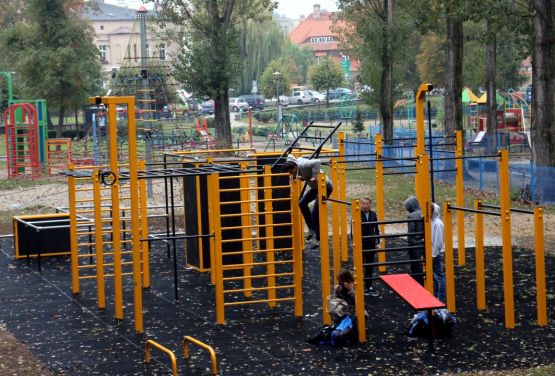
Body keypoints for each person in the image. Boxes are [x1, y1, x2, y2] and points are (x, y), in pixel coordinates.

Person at [283, 154, 333, 248]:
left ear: (294, 167)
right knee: (301, 203)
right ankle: (311, 228)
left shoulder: (302, 164)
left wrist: (314, 176)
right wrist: (304, 178)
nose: (291, 174)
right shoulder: (296, 167)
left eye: (291, 172)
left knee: (315, 213)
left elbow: (317, 162)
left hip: (325, 187)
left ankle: (318, 239)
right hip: (316, 188)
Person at [360, 197, 380, 297]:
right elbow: (353, 230)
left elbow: (376, 228)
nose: (365, 206)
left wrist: (378, 241)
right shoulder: (357, 214)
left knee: (369, 265)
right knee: (360, 265)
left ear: (370, 205)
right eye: (363, 204)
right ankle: (358, 285)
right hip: (362, 243)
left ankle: (368, 286)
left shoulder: (373, 214)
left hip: (371, 243)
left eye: (367, 204)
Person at [403, 195, 424, 285]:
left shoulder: (411, 216)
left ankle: (417, 283)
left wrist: (410, 243)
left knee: (415, 264)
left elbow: (411, 230)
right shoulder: (422, 213)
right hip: (422, 242)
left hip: (414, 243)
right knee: (421, 263)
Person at [431, 202, 446, 303]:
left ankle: (441, 298)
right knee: (435, 276)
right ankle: (436, 295)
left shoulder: (438, 223)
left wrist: (434, 254)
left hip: (436, 253)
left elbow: (438, 241)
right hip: (432, 252)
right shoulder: (431, 222)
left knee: (439, 276)